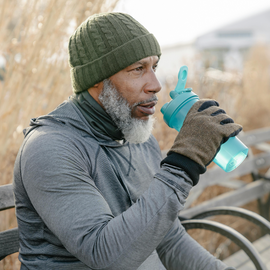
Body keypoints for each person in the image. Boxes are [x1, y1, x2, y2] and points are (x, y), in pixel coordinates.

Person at [13, 12, 241, 270]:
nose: (155, 84)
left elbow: (169, 240)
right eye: (137, 69)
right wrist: (183, 164)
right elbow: (107, 257)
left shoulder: (137, 137)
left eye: (153, 67)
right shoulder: (50, 148)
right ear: (97, 78)